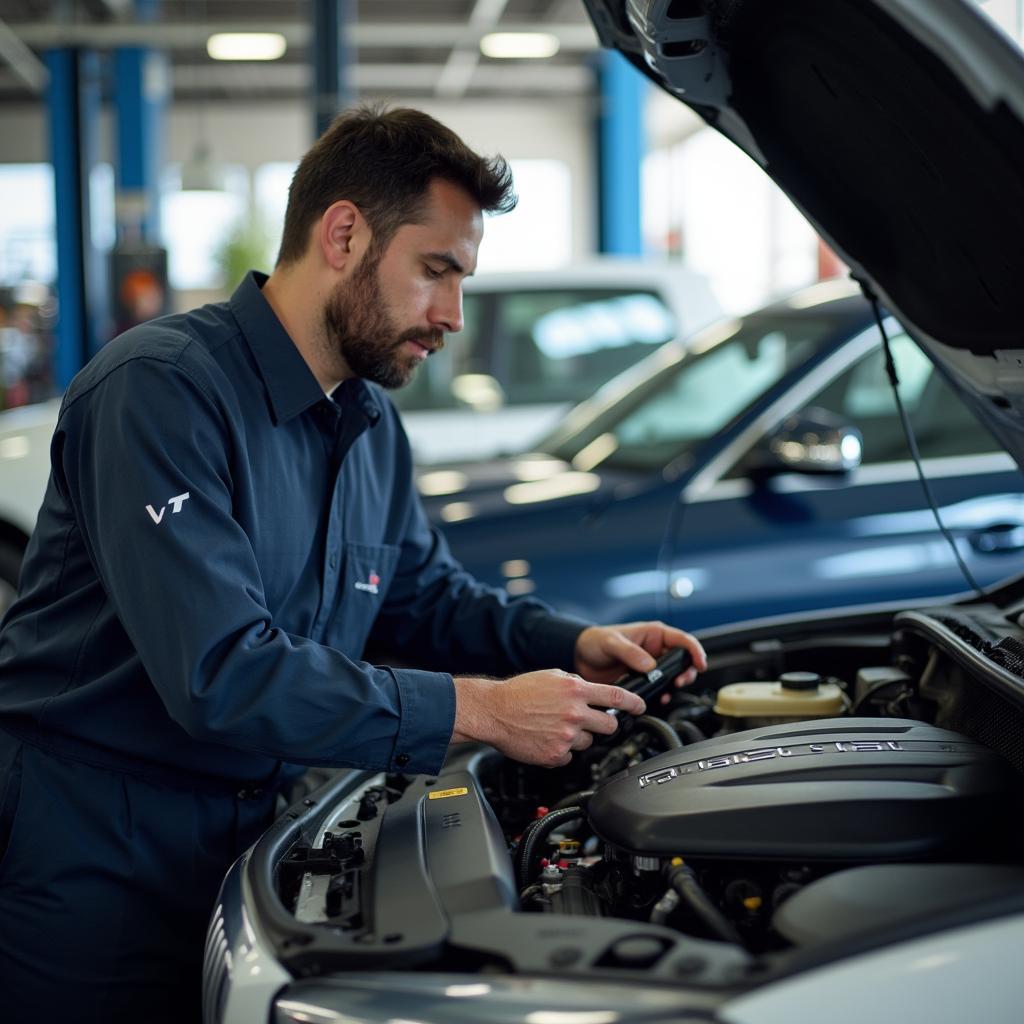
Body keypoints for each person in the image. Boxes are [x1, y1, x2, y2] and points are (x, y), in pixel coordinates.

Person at [0, 105, 706, 1023]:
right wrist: (482, 709)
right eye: (436, 271)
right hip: (98, 855)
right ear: (343, 234)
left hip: (258, 840)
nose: (453, 315)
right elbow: (221, 671)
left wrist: (571, 646)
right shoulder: (162, 391)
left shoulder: (369, 424)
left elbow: (420, 594)